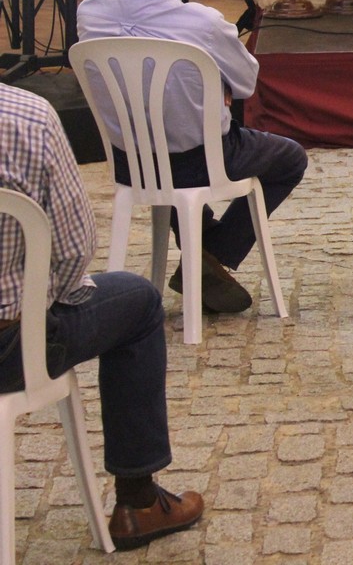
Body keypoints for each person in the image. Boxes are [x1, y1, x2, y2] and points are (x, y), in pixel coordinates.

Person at [0, 84, 204, 549]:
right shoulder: (27, 117)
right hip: (9, 349)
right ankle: (139, 502)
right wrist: (42, 297)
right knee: (140, 302)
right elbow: (74, 249)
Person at [76, 0, 307, 315]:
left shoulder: (90, 13)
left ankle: (203, 252)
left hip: (131, 162)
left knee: (159, 144)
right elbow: (246, 83)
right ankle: (214, 252)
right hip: (197, 162)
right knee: (290, 158)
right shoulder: (203, 23)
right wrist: (216, 86)